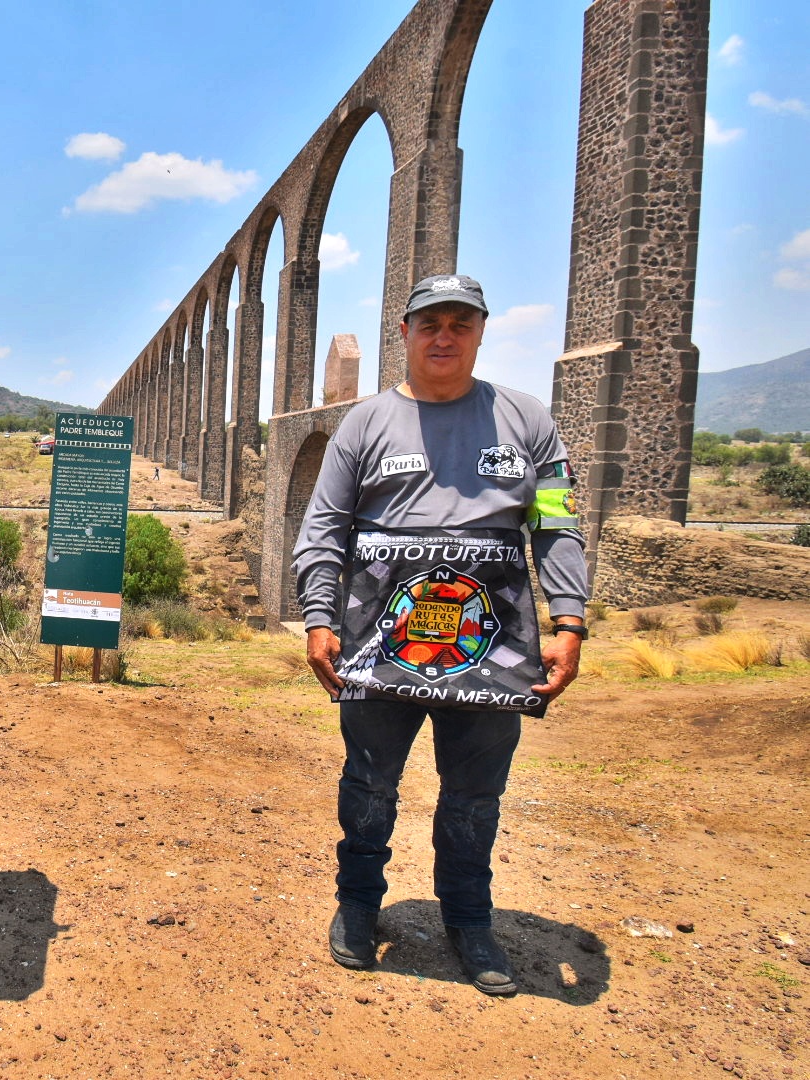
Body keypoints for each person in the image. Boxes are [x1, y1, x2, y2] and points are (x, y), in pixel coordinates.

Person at [292, 273, 588, 995]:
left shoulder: (529, 422)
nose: (444, 336)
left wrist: (570, 620)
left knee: (475, 794)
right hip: (379, 639)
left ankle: (469, 918)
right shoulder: (363, 425)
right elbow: (325, 527)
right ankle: (358, 905)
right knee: (369, 781)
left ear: (482, 329)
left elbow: (555, 523)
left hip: (490, 648)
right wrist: (319, 616)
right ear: (405, 333)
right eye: (430, 323)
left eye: (460, 322)